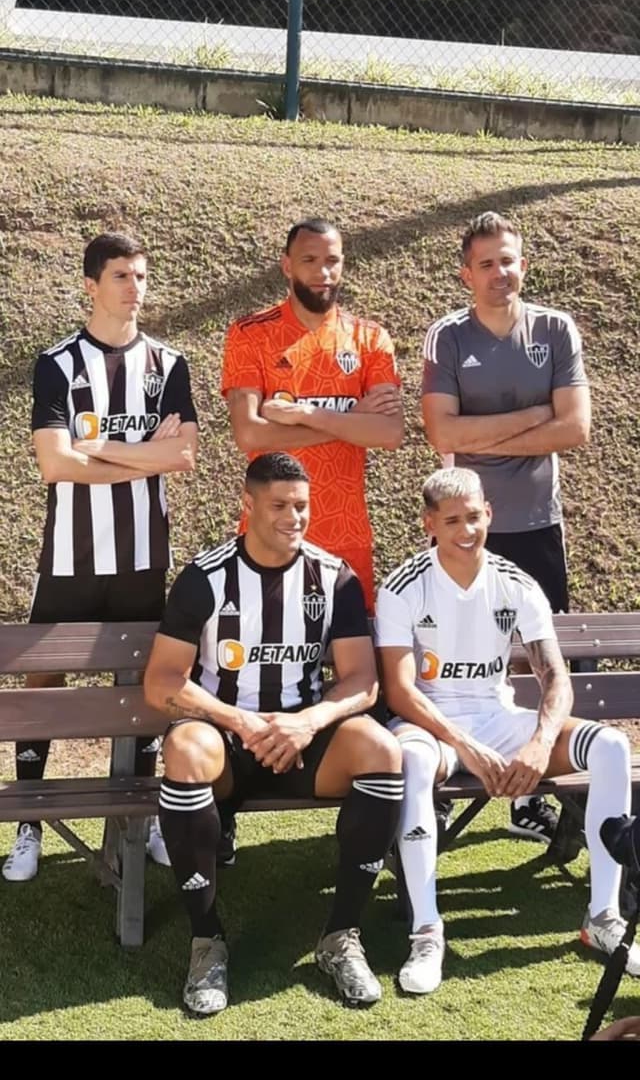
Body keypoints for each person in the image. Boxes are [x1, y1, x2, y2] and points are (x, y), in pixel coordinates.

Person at [143, 452, 403, 1014]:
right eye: (280, 505)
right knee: (184, 749)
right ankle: (207, 941)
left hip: (303, 741)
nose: (294, 516)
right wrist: (240, 720)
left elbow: (362, 682)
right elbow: (162, 681)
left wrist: (308, 721)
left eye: (302, 506)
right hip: (228, 743)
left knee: (382, 749)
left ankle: (341, 936)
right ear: (248, 505)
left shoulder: (333, 577)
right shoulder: (204, 577)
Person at [375, 467, 639, 996]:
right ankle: (427, 930)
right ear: (429, 523)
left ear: (489, 514)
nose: (467, 530)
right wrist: (466, 748)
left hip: (499, 721)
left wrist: (540, 743)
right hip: (431, 724)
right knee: (418, 761)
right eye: (452, 520)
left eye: (475, 517)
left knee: (610, 746)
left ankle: (602, 918)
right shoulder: (402, 586)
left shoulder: (514, 583)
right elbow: (401, 693)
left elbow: (555, 679)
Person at [2, 232, 198, 883]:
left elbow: (183, 455)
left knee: (147, 690)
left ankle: (140, 824)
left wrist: (99, 454)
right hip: (71, 558)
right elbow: (54, 464)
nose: (134, 287)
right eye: (121, 275)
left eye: (142, 275)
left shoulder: (169, 365)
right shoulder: (57, 364)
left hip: (144, 559)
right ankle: (28, 821)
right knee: (42, 681)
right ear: (91, 284)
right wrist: (142, 452)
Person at [422, 211, 591, 845]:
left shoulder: (555, 328)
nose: (500, 272)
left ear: (524, 264)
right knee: (448, 663)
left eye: (509, 260)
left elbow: (575, 427)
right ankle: (437, 786)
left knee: (543, 661)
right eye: (487, 263)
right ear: (467, 273)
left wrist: (484, 432)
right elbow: (444, 434)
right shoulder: (448, 337)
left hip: (536, 525)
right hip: (461, 528)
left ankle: (543, 801)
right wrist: (534, 415)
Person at [221, 217, 403, 615]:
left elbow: (389, 432)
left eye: (333, 261)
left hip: (347, 533)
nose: (324, 272)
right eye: (310, 260)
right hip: (270, 535)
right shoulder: (250, 334)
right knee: (268, 659)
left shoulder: (369, 338)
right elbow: (250, 434)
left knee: (355, 660)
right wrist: (351, 422)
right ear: (287, 265)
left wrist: (305, 414)